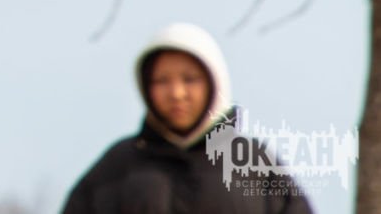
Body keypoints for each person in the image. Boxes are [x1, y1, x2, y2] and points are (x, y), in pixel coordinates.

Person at [60, 23, 314, 214]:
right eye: (162, 81)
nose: (176, 93)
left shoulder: (254, 164)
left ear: (214, 83)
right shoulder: (116, 167)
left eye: (190, 79)